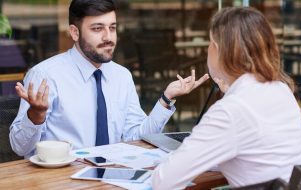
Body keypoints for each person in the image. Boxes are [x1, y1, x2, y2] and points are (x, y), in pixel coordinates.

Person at [9, 0, 209, 158]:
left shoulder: (121, 76)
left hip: (111, 176)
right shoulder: (45, 76)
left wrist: (166, 99)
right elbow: (20, 147)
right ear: (74, 32)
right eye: (97, 29)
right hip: (61, 180)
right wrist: (36, 115)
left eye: (112, 28)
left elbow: (137, 136)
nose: (108, 37)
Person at [152, 7, 301, 189]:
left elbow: (163, 181)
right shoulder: (281, 90)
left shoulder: (230, 110)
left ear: (218, 50)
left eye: (210, 43)